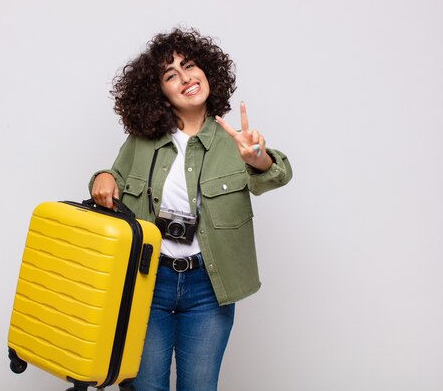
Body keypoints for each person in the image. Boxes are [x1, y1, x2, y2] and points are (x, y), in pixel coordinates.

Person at [89, 27, 292, 391]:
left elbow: (276, 174)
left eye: (190, 66)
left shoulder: (235, 142)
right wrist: (102, 177)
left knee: (199, 386)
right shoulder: (142, 141)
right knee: (144, 386)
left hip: (207, 288)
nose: (185, 78)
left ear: (207, 71)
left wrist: (258, 159)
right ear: (160, 94)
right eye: (171, 75)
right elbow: (114, 176)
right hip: (147, 282)